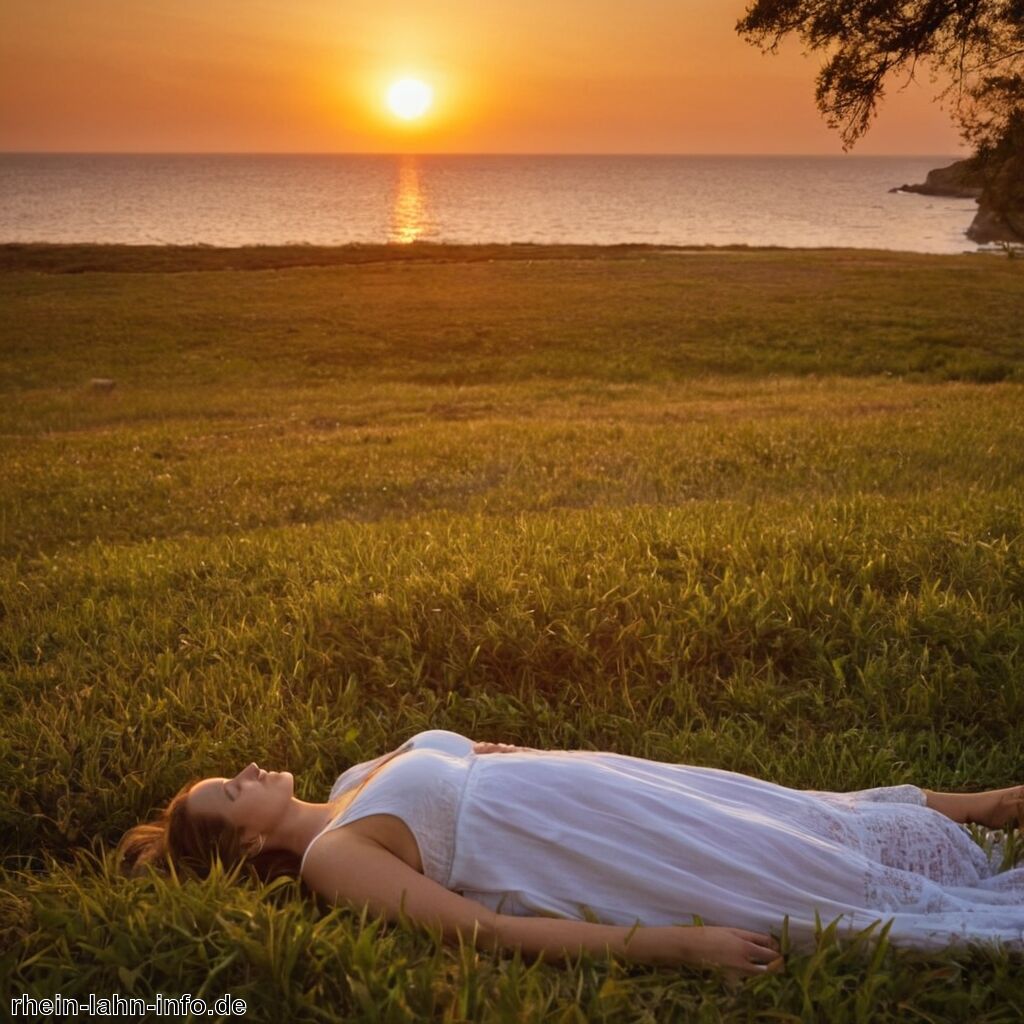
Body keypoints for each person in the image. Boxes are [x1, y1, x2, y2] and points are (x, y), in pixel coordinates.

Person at [117, 729, 1024, 975]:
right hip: (588, 845)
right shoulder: (333, 860)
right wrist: (679, 945)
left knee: (782, 811)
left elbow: (488, 756)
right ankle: (970, 847)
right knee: (793, 869)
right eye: (232, 791)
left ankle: (978, 809)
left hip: (607, 786)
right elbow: (482, 934)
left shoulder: (360, 771)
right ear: (249, 840)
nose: (246, 769)